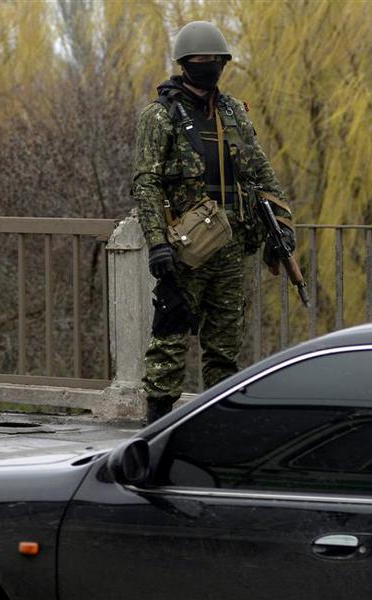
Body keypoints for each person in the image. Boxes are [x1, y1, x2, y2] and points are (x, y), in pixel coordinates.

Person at [130, 20, 296, 423]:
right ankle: (157, 422)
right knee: (170, 338)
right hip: (186, 247)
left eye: (216, 60)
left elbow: (260, 173)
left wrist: (282, 225)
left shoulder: (233, 112)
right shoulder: (160, 116)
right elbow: (146, 182)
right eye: (201, 60)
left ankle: (220, 423)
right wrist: (158, 244)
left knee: (225, 345)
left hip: (232, 244)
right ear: (185, 64)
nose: (210, 66)